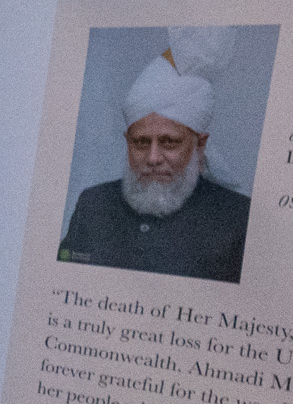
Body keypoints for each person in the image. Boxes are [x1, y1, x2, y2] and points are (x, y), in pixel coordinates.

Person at [58, 43, 251, 282]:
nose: (152, 158)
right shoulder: (94, 205)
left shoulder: (239, 219)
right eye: (140, 142)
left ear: (199, 145)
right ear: (127, 141)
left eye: (169, 142)